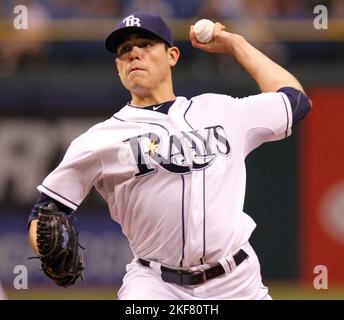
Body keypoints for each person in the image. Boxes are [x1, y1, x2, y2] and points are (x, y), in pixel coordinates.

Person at [28, 12, 311, 299]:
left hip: (237, 281)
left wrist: (236, 44)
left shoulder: (221, 110)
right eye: (125, 50)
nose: (134, 53)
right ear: (118, 67)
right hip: (156, 285)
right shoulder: (99, 140)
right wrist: (47, 252)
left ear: (172, 55)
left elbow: (295, 101)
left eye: (146, 44)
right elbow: (44, 212)